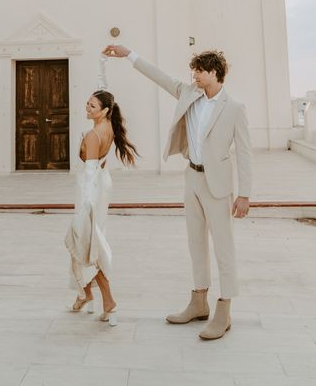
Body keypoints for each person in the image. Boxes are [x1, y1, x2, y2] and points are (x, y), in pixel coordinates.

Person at [103, 45, 252, 340]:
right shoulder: (188, 93)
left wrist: (244, 194)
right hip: (192, 178)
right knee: (195, 243)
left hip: (219, 185)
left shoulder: (234, 108)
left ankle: (224, 309)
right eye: (193, 70)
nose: (194, 75)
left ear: (214, 73)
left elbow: (245, 153)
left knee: (224, 247)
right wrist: (129, 54)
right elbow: (159, 76)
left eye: (199, 70)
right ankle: (199, 302)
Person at [64, 55, 138, 327]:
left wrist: (84, 209)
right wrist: (101, 65)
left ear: (104, 110)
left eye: (91, 105)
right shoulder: (106, 124)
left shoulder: (93, 136)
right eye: (87, 103)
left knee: (86, 246)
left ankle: (107, 300)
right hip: (101, 188)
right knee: (83, 246)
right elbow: (103, 91)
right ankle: (85, 294)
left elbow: (91, 175)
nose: (87, 107)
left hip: (91, 194)